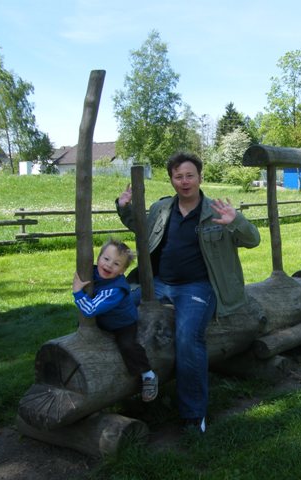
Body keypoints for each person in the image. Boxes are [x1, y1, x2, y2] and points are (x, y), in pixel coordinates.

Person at [116, 151, 260, 434]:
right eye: (178, 176)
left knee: (187, 337)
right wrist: (124, 208)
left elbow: (253, 240)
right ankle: (137, 377)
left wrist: (236, 221)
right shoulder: (162, 208)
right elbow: (141, 228)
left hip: (197, 287)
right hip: (158, 283)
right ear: (171, 179)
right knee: (115, 309)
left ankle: (193, 415)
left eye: (190, 175)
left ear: (200, 177)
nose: (184, 181)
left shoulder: (216, 211)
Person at [73, 238, 158, 403]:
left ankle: (148, 374)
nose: (109, 265)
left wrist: (77, 292)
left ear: (122, 271)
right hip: (103, 319)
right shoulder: (92, 273)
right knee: (83, 332)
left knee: (127, 345)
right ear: (98, 258)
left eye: (116, 264)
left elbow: (90, 310)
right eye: (106, 259)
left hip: (122, 324)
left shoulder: (115, 289)